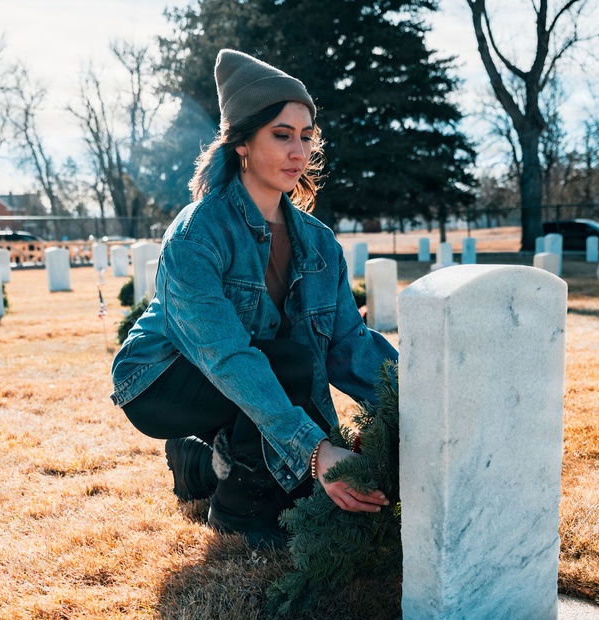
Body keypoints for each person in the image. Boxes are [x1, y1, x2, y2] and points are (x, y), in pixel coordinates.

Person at [110, 49, 398, 549]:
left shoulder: (320, 243)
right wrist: (317, 450)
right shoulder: (197, 235)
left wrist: (416, 405)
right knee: (284, 380)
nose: (299, 152)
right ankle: (235, 515)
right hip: (160, 379)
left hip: (255, 372)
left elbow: (348, 346)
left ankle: (201, 462)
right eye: (281, 135)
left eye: (306, 136)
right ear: (241, 143)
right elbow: (228, 356)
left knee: (299, 464)